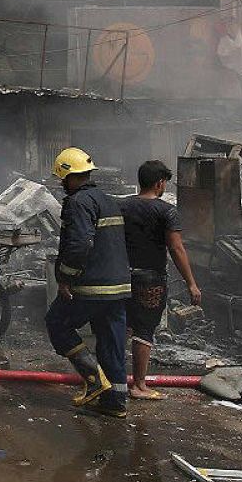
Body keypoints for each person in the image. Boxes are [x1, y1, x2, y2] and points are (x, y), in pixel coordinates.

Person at [44, 147, 132, 418]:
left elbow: (80, 243)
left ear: (70, 177)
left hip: (91, 285)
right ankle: (115, 401)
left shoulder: (78, 203)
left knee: (57, 322)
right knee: (110, 341)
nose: (62, 185)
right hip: (118, 285)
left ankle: (93, 380)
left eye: (62, 179)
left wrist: (66, 278)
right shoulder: (108, 200)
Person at [119, 160, 199, 401]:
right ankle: (139, 385)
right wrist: (191, 283)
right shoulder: (166, 211)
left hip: (121, 276)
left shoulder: (121, 206)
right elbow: (176, 248)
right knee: (144, 331)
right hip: (150, 280)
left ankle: (113, 379)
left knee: (120, 327)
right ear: (159, 183)